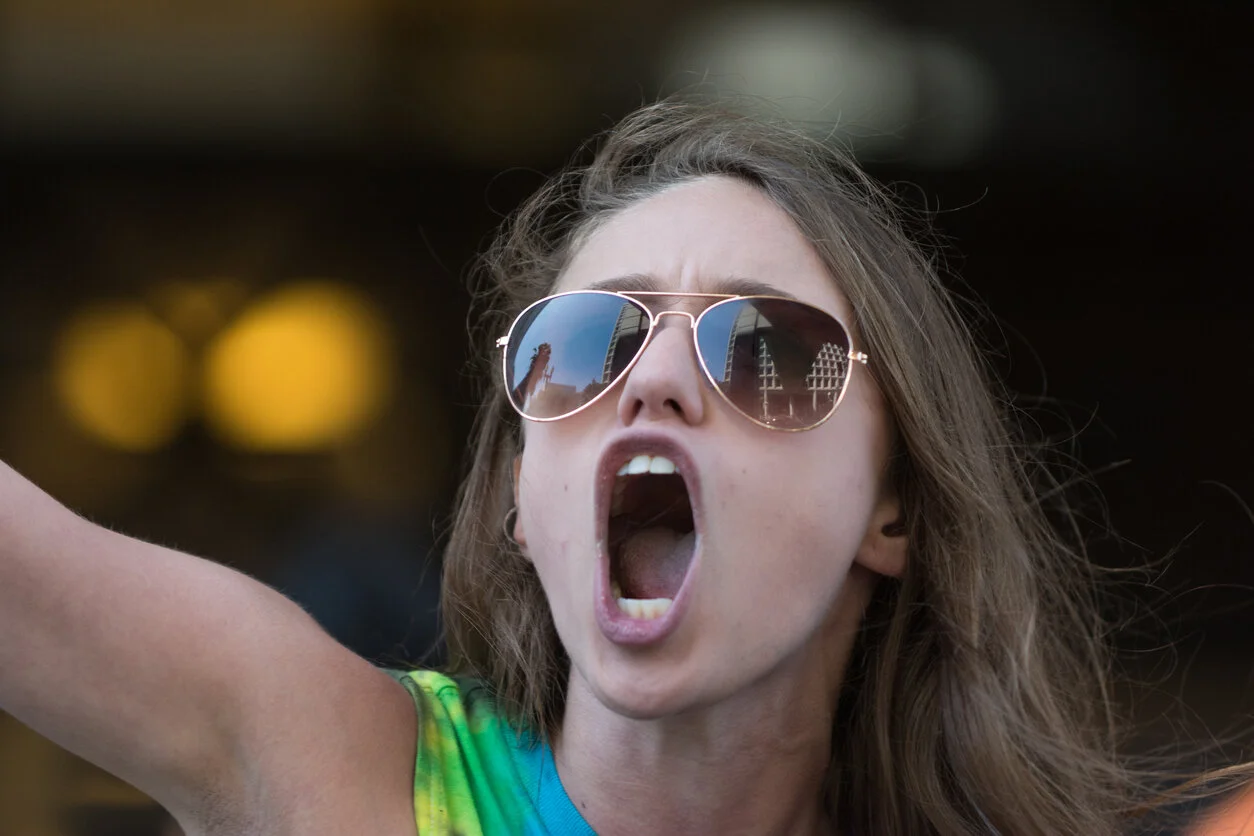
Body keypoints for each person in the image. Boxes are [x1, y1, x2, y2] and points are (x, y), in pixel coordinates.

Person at [0, 97, 1242, 836]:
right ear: (518, 506)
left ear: (893, 504)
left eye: (760, 348)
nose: (650, 379)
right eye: (587, 341)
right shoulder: (349, 769)